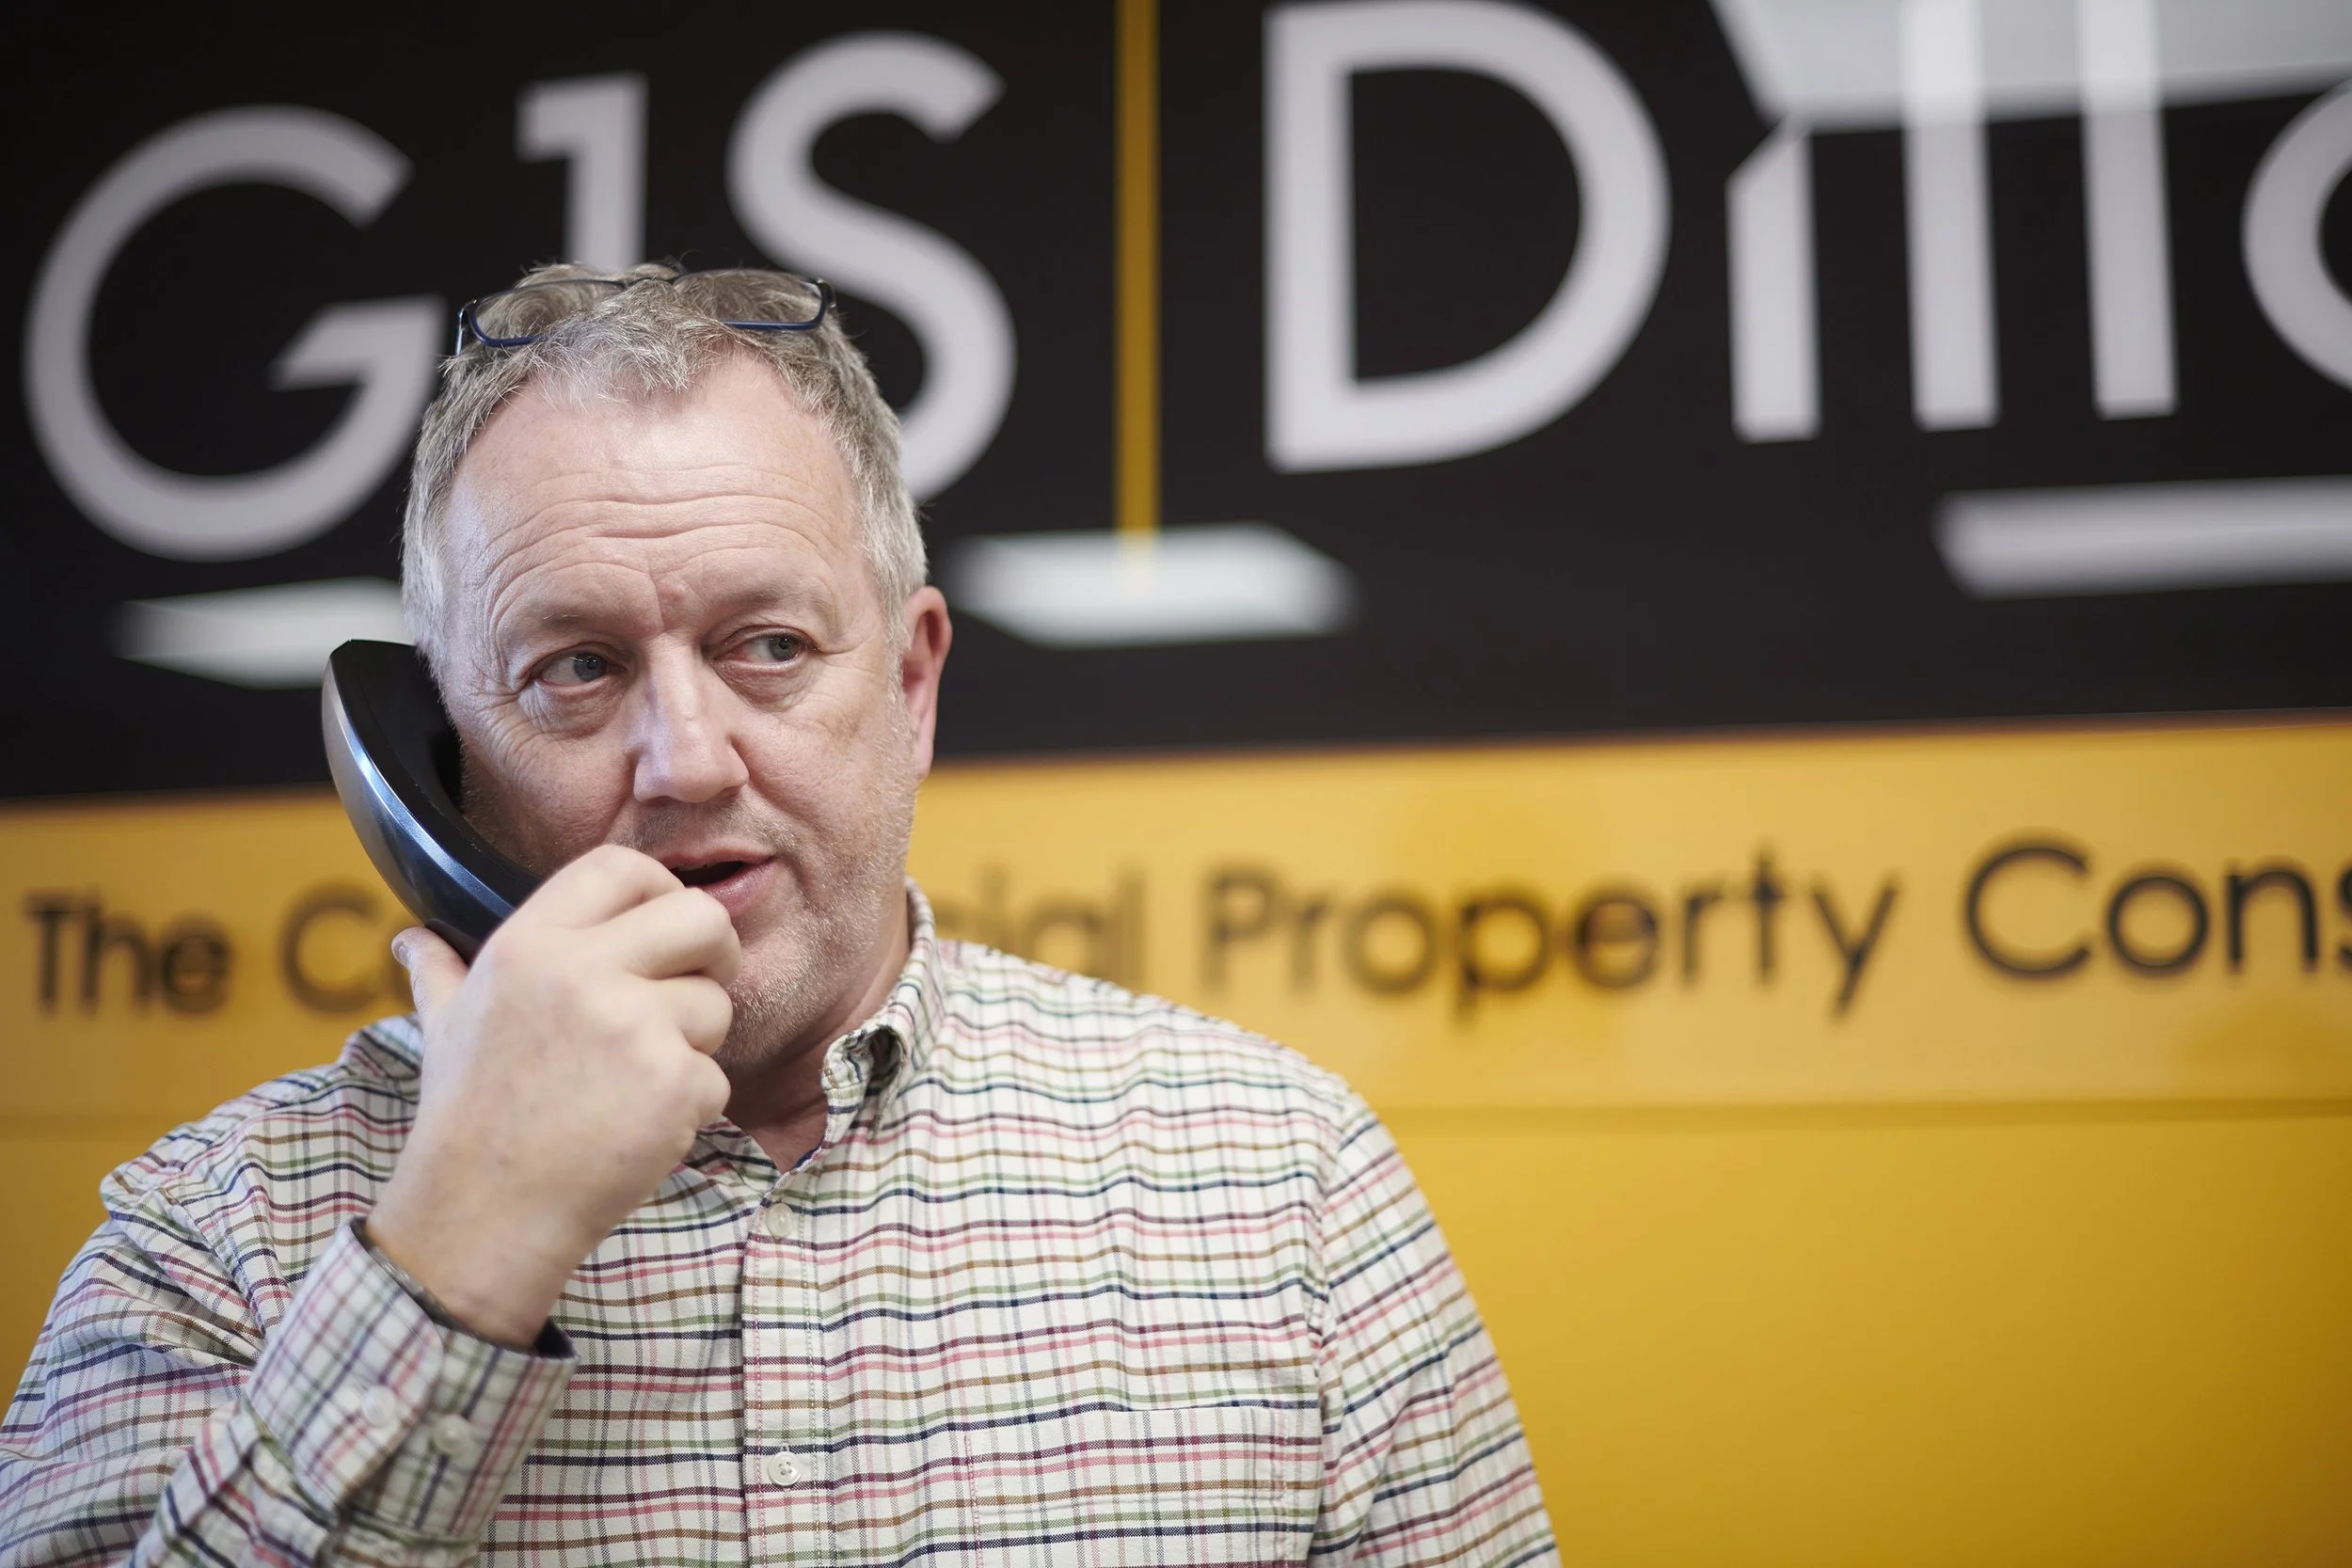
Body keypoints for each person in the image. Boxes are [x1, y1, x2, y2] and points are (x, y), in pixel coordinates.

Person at [0, 263, 1556, 1565]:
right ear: (431, 761)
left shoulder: (1285, 1189)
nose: (683, 760)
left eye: (766, 646)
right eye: (577, 669)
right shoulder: (209, 1244)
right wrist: (459, 1245)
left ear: (911, 682)